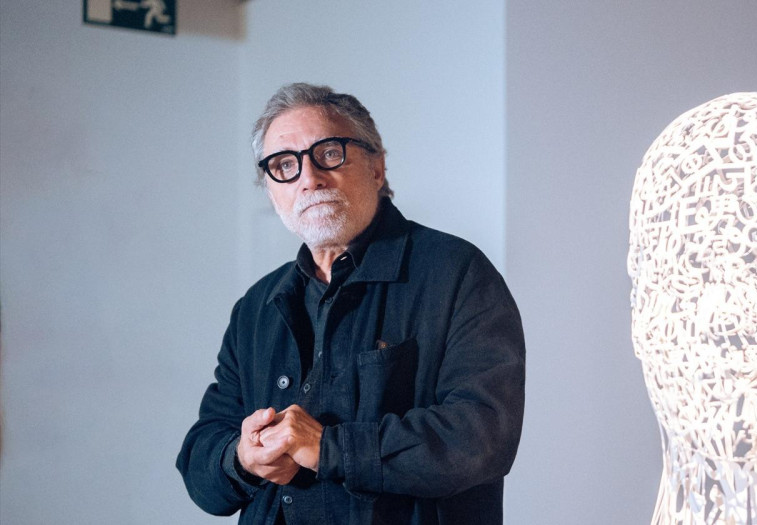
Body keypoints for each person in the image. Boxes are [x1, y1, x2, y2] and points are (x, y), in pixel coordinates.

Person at [176, 83, 525, 524]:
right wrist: (241, 458)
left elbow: (481, 437)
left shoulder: (456, 273)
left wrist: (329, 449)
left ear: (377, 168)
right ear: (270, 190)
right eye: (285, 165)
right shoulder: (256, 307)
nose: (309, 178)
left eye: (329, 153)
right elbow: (201, 463)